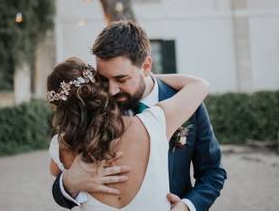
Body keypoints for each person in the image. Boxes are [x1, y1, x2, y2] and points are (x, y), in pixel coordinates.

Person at [52, 21, 227, 211]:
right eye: (103, 79)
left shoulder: (187, 102)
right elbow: (62, 173)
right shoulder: (94, 109)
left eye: (121, 79)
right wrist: (68, 183)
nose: (111, 91)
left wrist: (187, 206)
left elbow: (212, 172)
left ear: (146, 66)